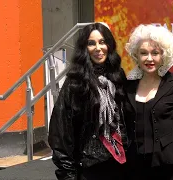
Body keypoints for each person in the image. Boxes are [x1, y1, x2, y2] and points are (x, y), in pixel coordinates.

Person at [48, 22, 128, 180]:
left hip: (119, 163)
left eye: (102, 42)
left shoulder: (118, 76)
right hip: (89, 168)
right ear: (84, 48)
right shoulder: (75, 82)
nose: (98, 48)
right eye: (91, 43)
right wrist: (68, 175)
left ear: (109, 45)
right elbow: (61, 134)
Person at [123, 24, 173, 180]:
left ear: (163, 55)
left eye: (155, 53)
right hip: (133, 165)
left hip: (169, 165)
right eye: (143, 53)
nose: (149, 58)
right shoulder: (126, 86)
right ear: (136, 55)